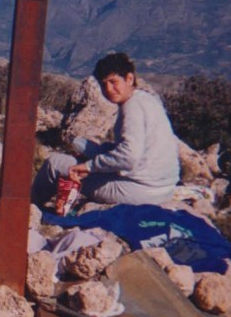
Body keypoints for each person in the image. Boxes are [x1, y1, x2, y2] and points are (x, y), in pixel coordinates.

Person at [31, 52, 180, 207]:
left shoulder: (132, 108)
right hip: (164, 188)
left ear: (129, 79)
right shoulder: (146, 99)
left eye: (113, 81)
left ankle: (29, 208)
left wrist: (89, 166)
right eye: (103, 84)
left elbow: (129, 157)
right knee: (85, 150)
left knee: (55, 163)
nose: (108, 89)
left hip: (141, 191)